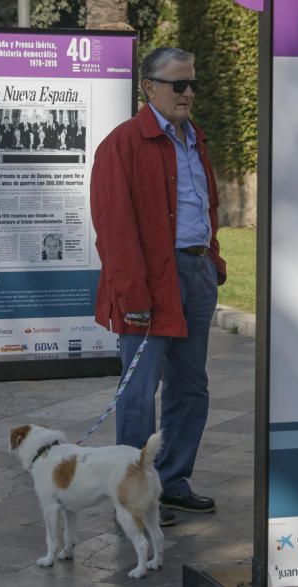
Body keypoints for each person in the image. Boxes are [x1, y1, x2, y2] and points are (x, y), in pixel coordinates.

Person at [90, 47, 226, 522]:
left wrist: (214, 262)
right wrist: (133, 296)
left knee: (191, 388)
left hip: (195, 275)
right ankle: (132, 494)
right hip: (149, 284)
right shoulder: (123, 144)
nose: (189, 93)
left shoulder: (194, 139)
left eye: (193, 84)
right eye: (178, 85)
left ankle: (171, 480)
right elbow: (113, 226)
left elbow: (204, 207)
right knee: (139, 391)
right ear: (149, 87)